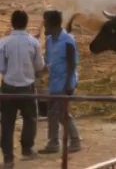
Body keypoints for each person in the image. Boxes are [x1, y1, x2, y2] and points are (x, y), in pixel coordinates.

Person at [0, 10, 44, 167]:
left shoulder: (4, 42)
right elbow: (39, 66)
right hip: (27, 88)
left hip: (8, 88)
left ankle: (8, 158)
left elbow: (2, 67)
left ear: (12, 23)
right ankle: (26, 149)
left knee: (7, 123)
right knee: (30, 119)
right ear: (26, 23)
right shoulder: (33, 43)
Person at [38, 11, 81, 156]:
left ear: (52, 23)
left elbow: (72, 64)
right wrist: (40, 73)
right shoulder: (50, 40)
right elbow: (49, 62)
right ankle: (55, 143)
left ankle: (72, 141)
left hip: (64, 82)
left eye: (45, 22)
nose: (44, 25)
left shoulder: (68, 40)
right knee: (54, 113)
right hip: (54, 82)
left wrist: (68, 84)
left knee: (60, 113)